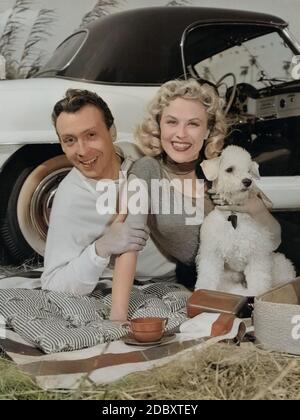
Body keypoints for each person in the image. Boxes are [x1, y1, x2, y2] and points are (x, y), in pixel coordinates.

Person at [110, 78, 282, 321]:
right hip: (210, 289)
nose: (181, 134)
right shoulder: (147, 170)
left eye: (193, 124)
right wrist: (117, 317)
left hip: (264, 275)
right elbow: (129, 240)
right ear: (158, 125)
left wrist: (256, 208)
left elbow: (273, 240)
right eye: (171, 122)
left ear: (208, 131)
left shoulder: (224, 168)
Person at [41, 89, 176, 294]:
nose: (82, 151)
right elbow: (53, 282)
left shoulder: (134, 152)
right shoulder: (70, 199)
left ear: (112, 131)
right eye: (70, 140)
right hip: (158, 283)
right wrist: (101, 248)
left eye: (91, 135)